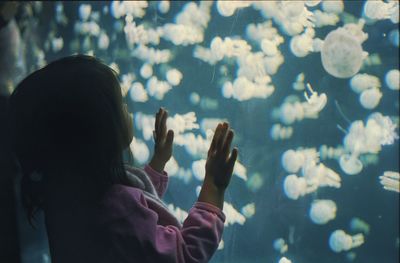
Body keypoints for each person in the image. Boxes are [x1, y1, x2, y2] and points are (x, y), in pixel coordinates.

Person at [8, 54, 238, 263]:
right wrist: (214, 186)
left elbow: (135, 213)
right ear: (100, 131)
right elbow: (186, 253)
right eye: (120, 104)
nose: (127, 108)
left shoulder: (69, 199)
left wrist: (157, 165)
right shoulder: (116, 212)